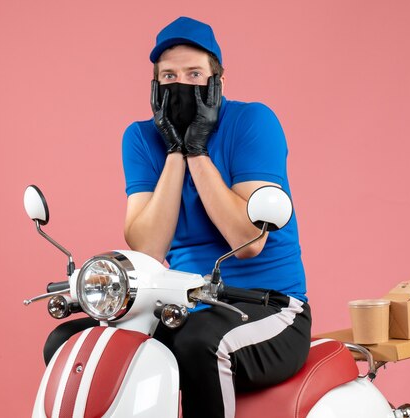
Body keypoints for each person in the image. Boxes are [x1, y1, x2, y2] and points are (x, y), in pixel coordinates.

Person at [45, 16, 311, 418]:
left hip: (270, 309)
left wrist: (200, 152)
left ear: (216, 82)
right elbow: (150, 247)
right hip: (181, 307)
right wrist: (175, 149)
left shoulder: (252, 122)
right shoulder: (141, 138)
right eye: (168, 76)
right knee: (68, 341)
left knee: (197, 343)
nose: (181, 84)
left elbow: (248, 241)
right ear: (155, 89)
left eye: (194, 74)